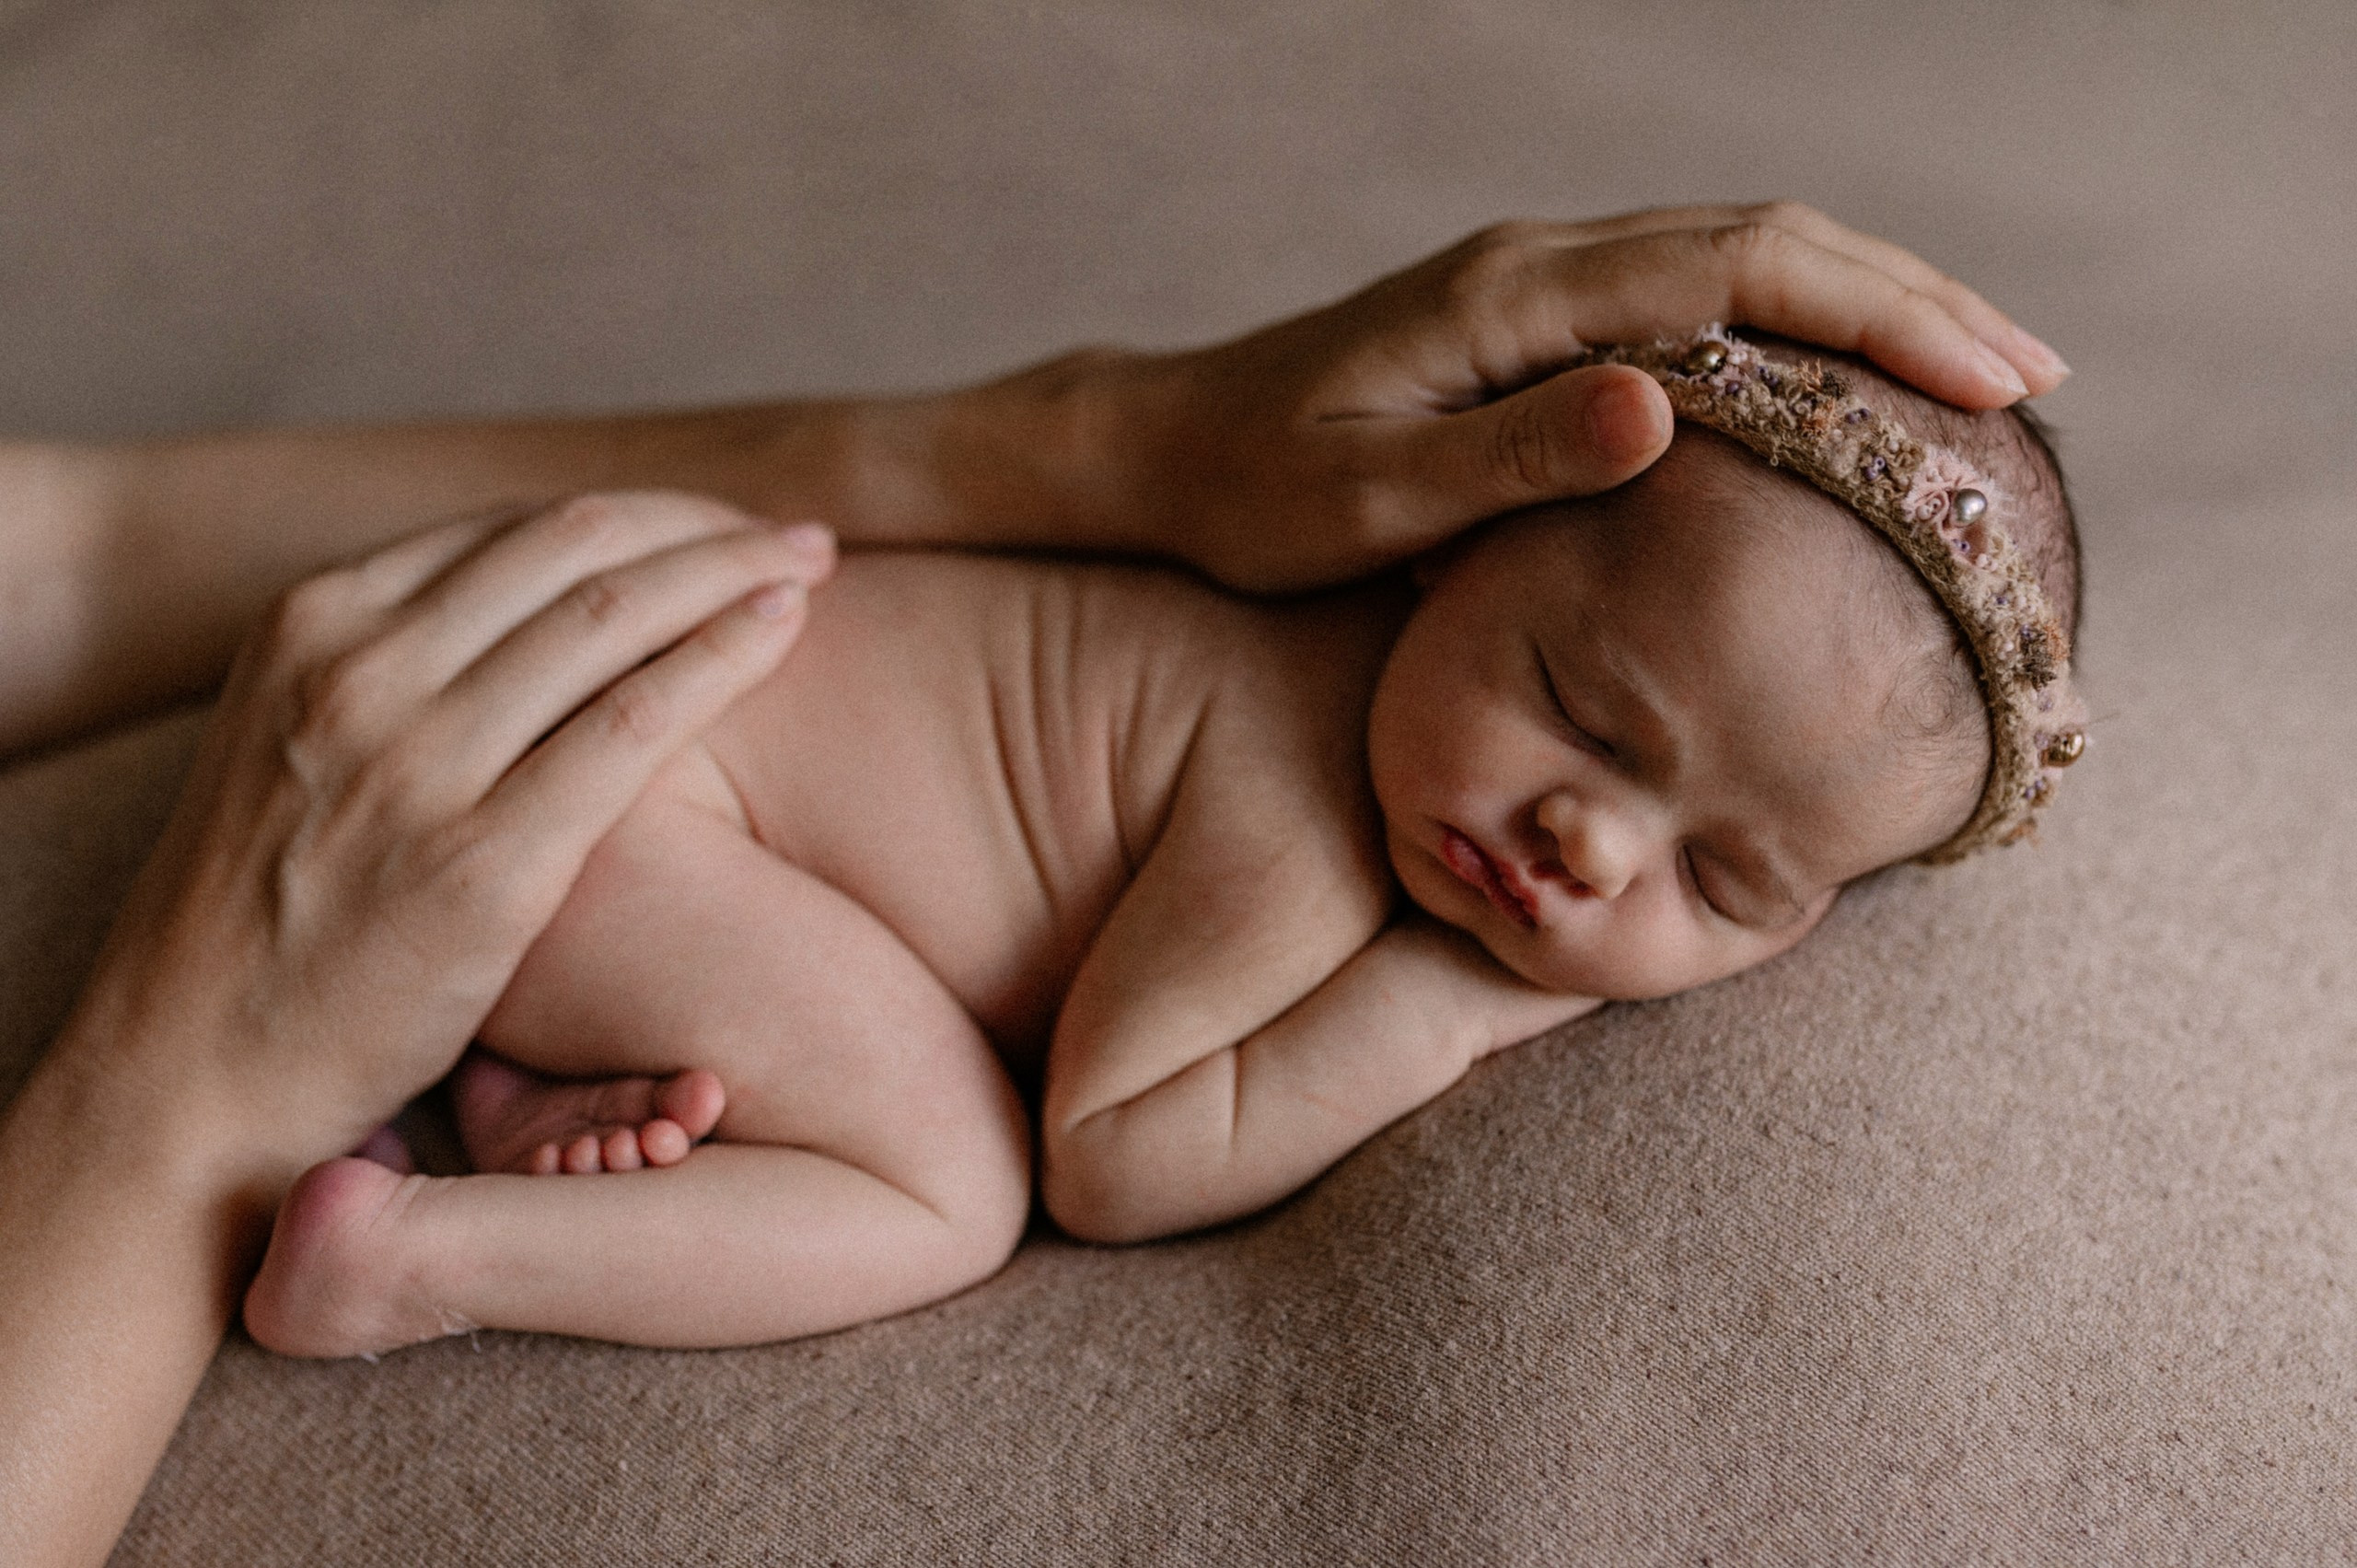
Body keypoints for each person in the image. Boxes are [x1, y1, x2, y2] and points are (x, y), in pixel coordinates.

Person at [0, 205, 2067, 1564]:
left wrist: (1083, 435)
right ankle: (401, 1258)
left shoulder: (1303, 650)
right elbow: (1121, 1149)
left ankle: (535, 1088)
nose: (1583, 851)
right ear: (1440, 544)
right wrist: (1446, 1003)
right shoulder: (1284, 793)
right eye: (1569, 709)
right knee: (945, 1183)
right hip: (612, 809)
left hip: (626, 791)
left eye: (1725, 881)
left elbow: (68, 556)